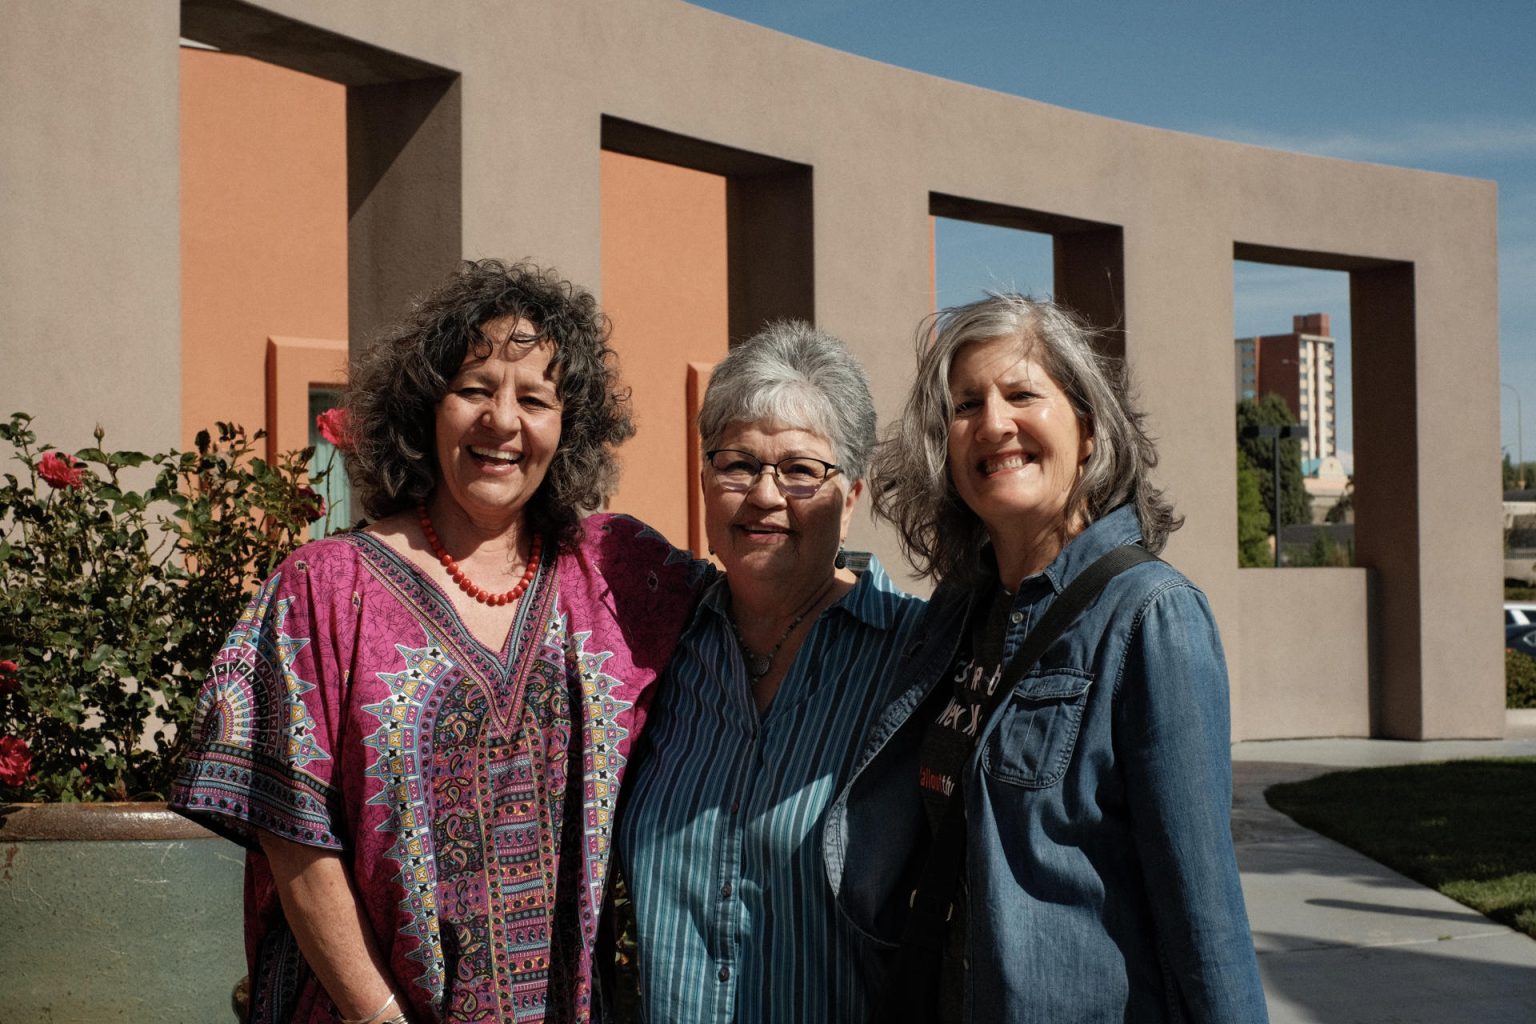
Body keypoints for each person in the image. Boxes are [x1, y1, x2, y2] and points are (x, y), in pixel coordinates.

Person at [171, 259, 708, 1024]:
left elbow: (759, 606)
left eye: (536, 398)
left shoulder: (619, 573)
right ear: (427, 407)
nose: (503, 421)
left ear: (570, 427)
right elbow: (290, 834)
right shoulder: (324, 590)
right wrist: (379, 1015)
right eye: (474, 389)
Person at [824, 295, 1269, 1022]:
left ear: (1088, 430)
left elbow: (1204, 910)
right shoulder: (956, 616)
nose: (992, 423)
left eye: (1022, 393)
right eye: (966, 405)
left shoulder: (1150, 616)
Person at [614, 322, 926, 1023]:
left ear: (851, 498)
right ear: (704, 482)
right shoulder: (656, 650)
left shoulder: (917, 661)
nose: (763, 494)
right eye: (738, 464)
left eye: (800, 469)